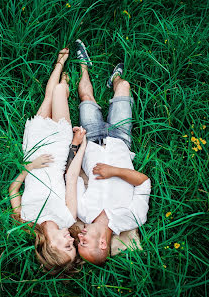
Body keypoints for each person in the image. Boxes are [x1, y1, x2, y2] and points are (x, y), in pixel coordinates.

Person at [8, 48, 87, 274]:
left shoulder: (26, 221)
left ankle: (60, 63)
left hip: (34, 152)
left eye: (66, 245)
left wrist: (29, 168)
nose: (70, 240)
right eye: (73, 245)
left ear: (50, 247)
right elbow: (70, 179)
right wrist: (78, 143)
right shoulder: (68, 217)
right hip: (59, 151)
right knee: (60, 91)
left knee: (48, 97)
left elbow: (13, 189)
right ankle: (64, 81)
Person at [74, 39, 152, 265]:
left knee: (86, 99)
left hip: (92, 140)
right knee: (125, 85)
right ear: (102, 244)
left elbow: (76, 179)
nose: (80, 237)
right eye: (83, 242)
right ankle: (114, 79)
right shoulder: (132, 218)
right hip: (120, 141)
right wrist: (115, 171)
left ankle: (83, 66)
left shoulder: (84, 213)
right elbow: (144, 182)